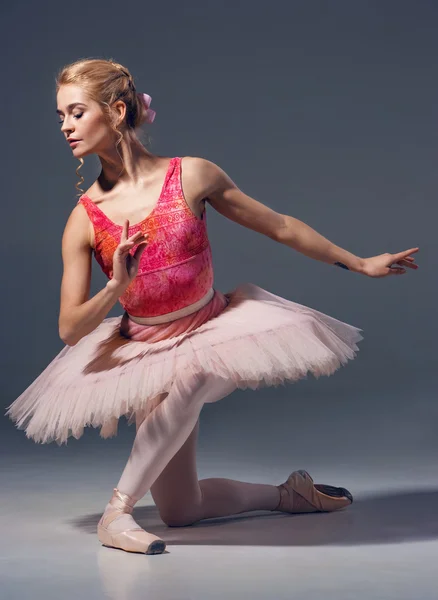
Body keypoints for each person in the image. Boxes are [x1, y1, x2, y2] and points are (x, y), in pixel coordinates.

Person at [5, 58, 419, 556]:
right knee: (182, 509)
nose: (66, 127)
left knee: (197, 370)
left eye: (75, 113)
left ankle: (116, 513)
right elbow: (70, 329)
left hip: (211, 328)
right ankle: (289, 494)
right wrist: (117, 286)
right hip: (143, 352)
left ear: (116, 111)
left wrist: (360, 263)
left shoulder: (193, 176)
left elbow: (281, 226)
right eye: (60, 118)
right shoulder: (84, 220)